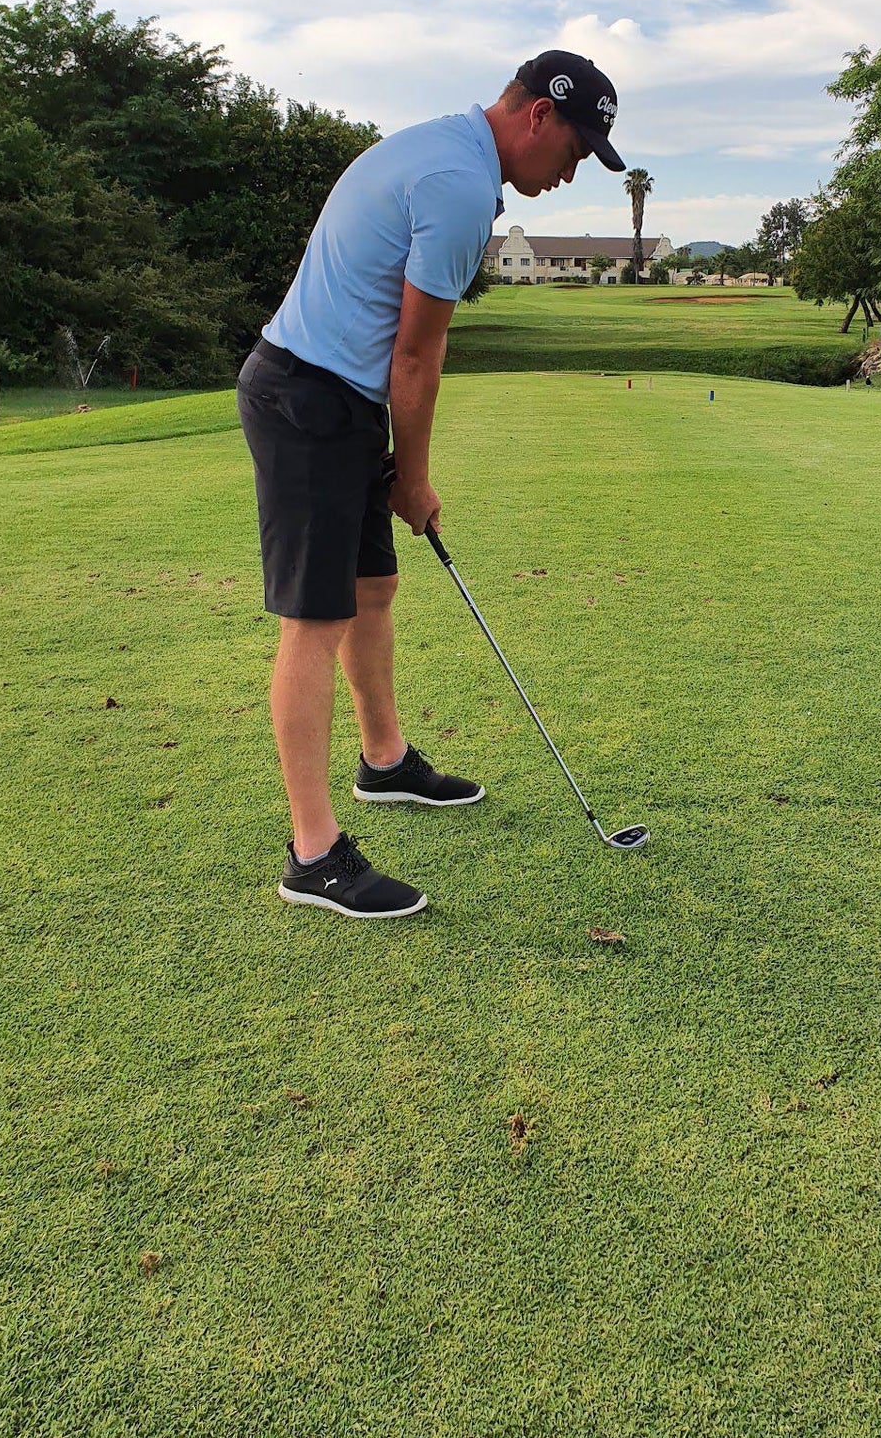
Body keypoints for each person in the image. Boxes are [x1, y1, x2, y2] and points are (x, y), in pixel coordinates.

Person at [236, 51, 624, 922]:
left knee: (372, 586)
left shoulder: (446, 150)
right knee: (315, 620)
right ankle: (312, 854)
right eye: (573, 149)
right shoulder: (455, 186)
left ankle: (384, 760)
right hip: (308, 397)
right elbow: (416, 356)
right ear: (535, 117)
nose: (568, 172)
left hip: (333, 394)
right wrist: (412, 477)